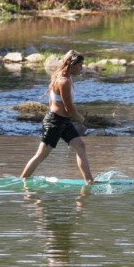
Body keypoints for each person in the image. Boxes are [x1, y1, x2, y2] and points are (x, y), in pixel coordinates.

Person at [21, 50, 94, 185]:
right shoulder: (63, 82)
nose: (81, 68)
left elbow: (52, 102)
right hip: (55, 122)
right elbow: (69, 108)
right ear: (71, 65)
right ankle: (21, 180)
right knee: (41, 155)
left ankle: (89, 181)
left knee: (80, 146)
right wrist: (80, 118)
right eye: (79, 65)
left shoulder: (65, 77)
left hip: (63, 121)